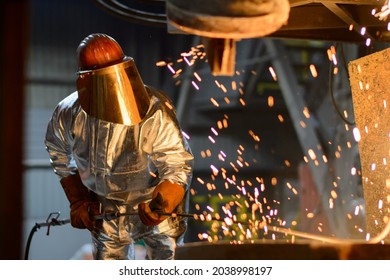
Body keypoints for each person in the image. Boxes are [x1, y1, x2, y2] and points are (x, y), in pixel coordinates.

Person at [44, 33, 194, 260]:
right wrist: (79, 200)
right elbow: (59, 154)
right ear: (85, 81)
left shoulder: (155, 108)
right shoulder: (69, 112)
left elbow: (176, 164)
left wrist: (163, 202)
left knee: (166, 264)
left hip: (152, 200)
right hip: (105, 207)